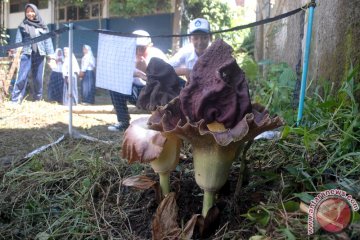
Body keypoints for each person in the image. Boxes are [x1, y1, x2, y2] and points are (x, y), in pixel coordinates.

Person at [108, 30, 167, 132]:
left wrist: (147, 70)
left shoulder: (158, 55)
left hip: (155, 95)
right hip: (136, 92)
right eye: (136, 48)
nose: (139, 51)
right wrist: (137, 73)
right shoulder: (125, 55)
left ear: (150, 45)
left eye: (143, 48)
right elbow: (118, 72)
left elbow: (167, 78)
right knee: (114, 85)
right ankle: (123, 121)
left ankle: (163, 120)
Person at [11, 3, 54, 103]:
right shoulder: (22, 26)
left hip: (40, 54)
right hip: (26, 53)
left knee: (38, 79)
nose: (30, 13)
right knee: (22, 77)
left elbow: (47, 41)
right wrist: (15, 54)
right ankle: (16, 100)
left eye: (32, 11)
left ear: (36, 12)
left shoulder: (43, 26)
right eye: (27, 12)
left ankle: (37, 99)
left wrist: (51, 56)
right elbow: (18, 40)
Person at [169, 18, 212, 83]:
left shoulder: (216, 51)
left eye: (204, 38)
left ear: (210, 37)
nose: (200, 42)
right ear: (189, 39)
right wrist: (185, 71)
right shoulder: (186, 51)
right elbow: (167, 67)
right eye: (195, 38)